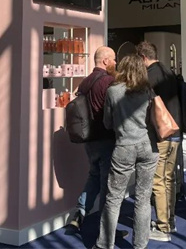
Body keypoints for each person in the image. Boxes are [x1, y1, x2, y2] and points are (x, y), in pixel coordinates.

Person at [95, 54, 159, 249]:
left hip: (124, 146)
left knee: (113, 198)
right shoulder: (147, 90)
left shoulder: (113, 91)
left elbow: (107, 122)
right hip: (148, 145)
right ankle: (140, 244)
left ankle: (105, 244)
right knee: (143, 198)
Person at [67, 46, 117, 233]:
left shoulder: (85, 82)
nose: (116, 63)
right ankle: (106, 229)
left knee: (94, 175)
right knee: (107, 183)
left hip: (89, 138)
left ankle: (79, 214)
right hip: (105, 137)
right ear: (105, 61)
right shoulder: (108, 82)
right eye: (114, 59)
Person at [136, 41, 181, 241]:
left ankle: (163, 228)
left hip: (161, 133)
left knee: (158, 180)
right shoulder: (170, 73)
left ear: (143, 57)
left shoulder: (149, 77)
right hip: (176, 130)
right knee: (169, 179)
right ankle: (170, 220)